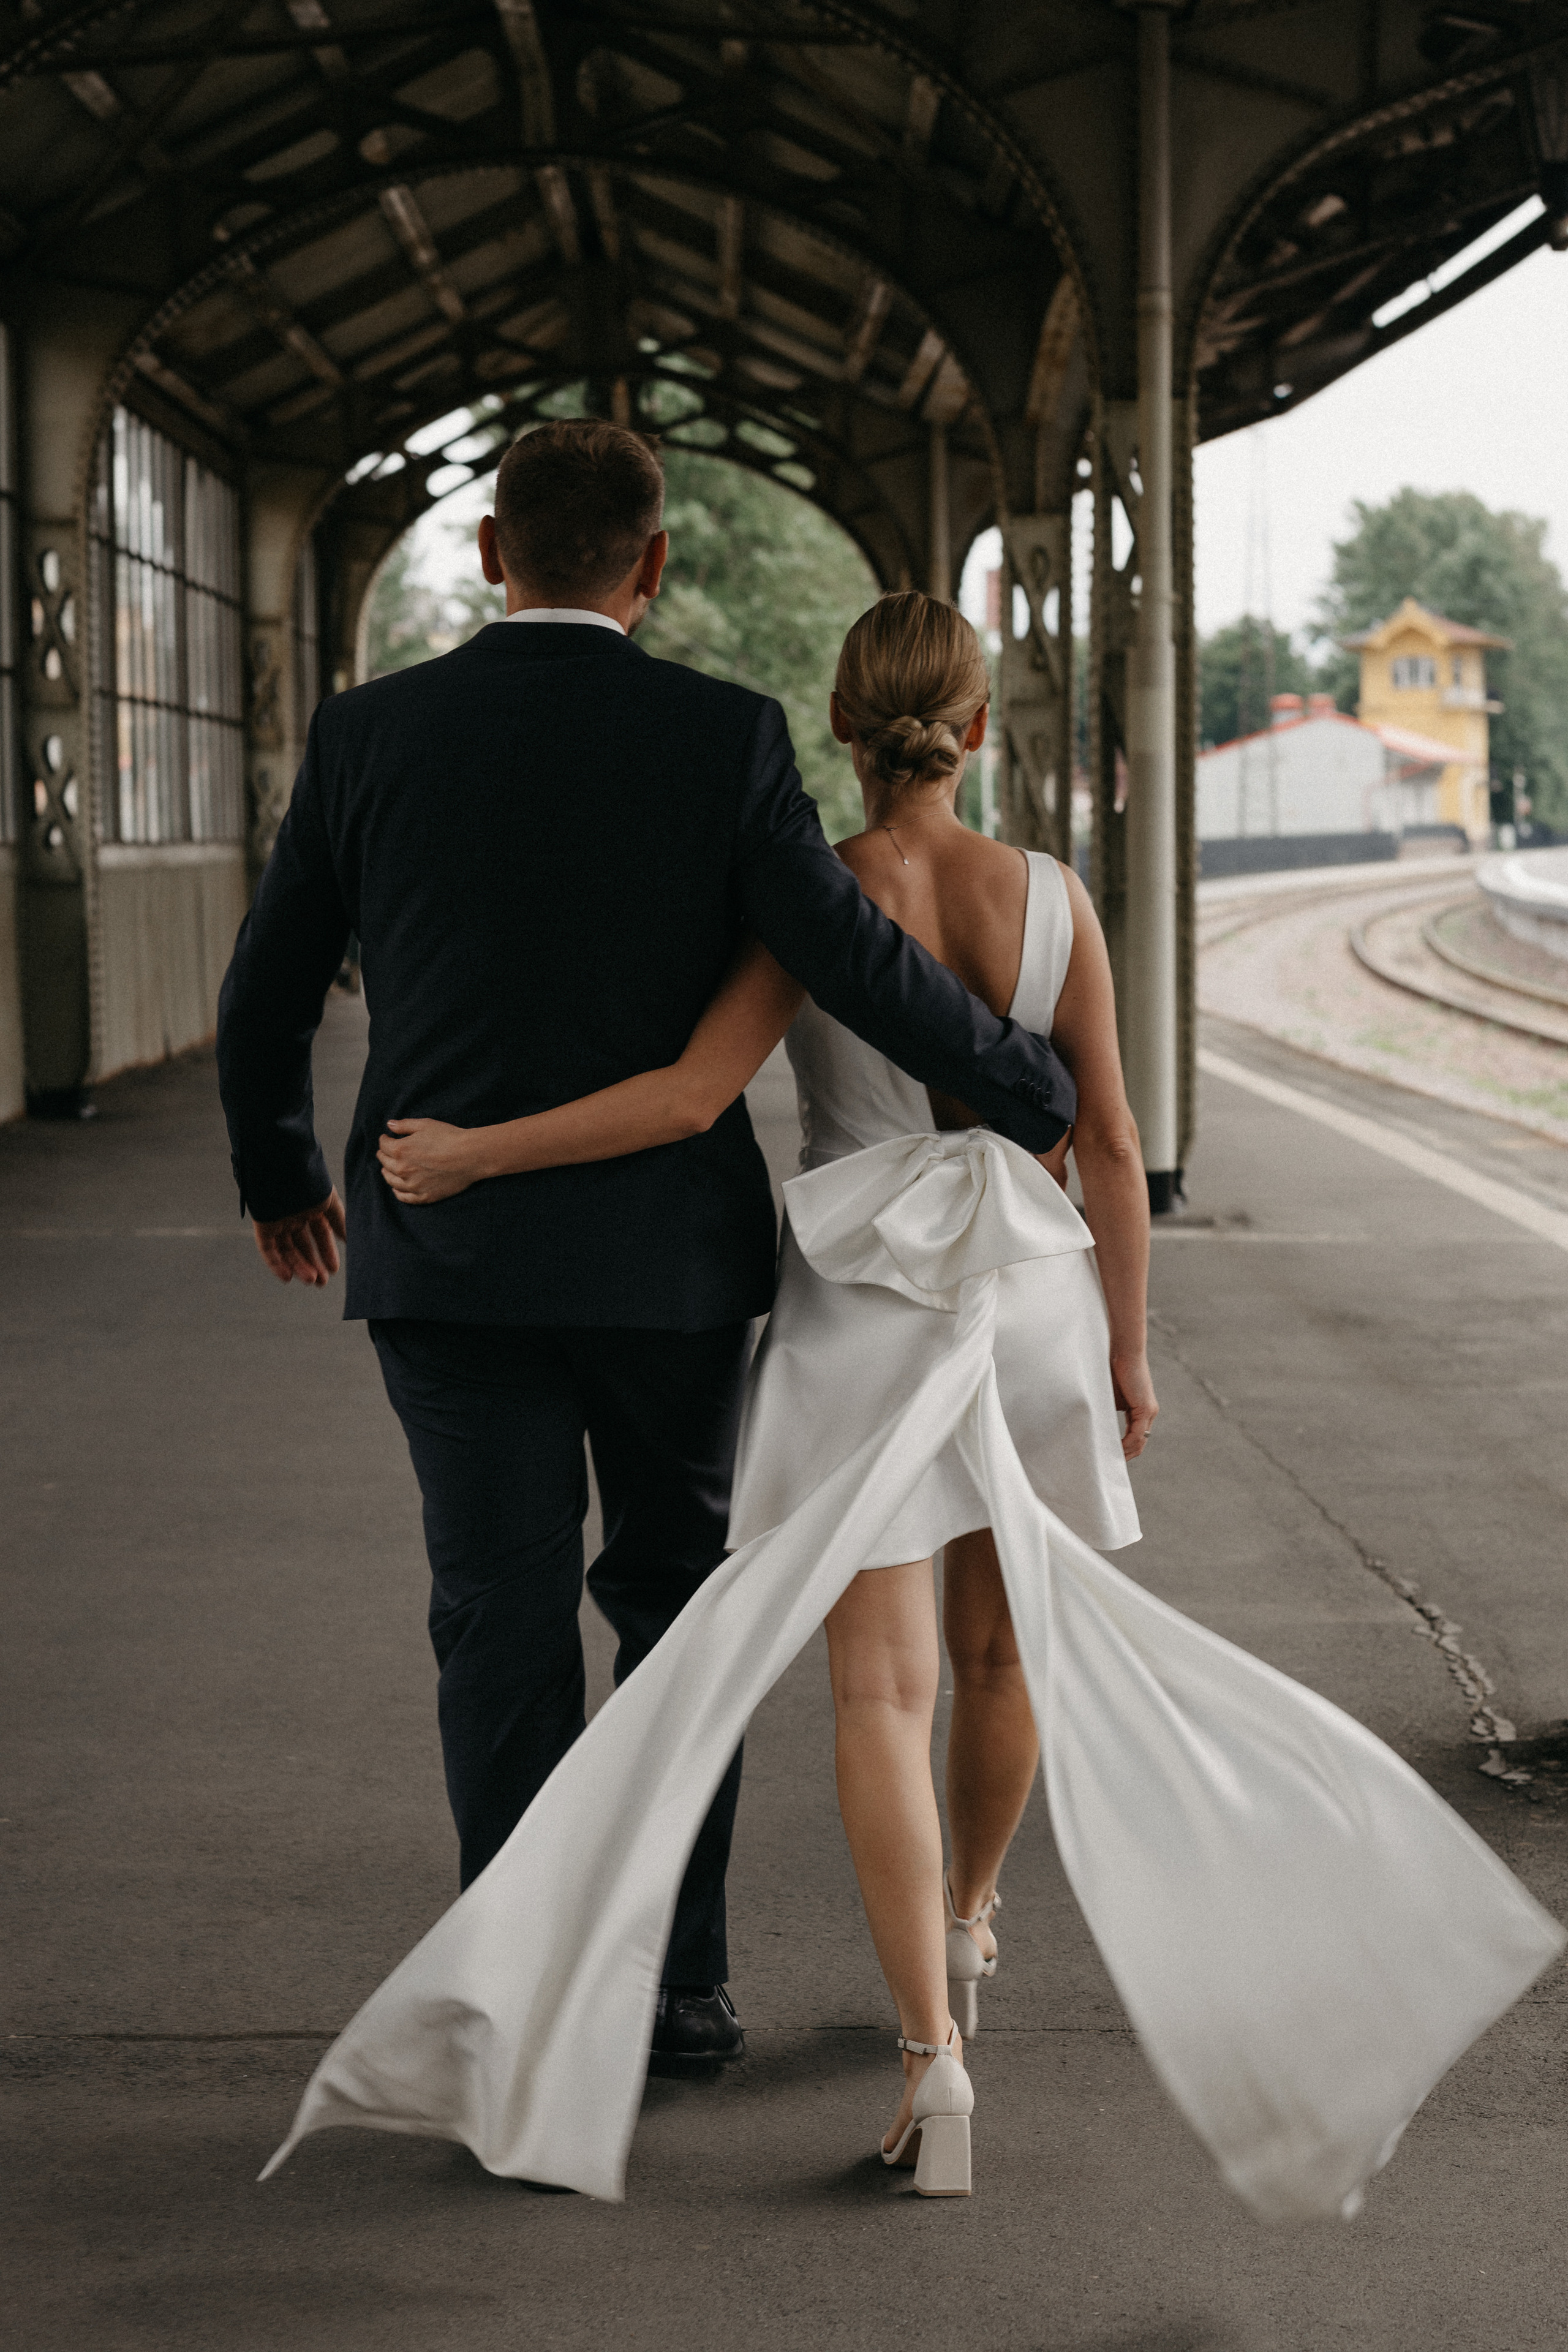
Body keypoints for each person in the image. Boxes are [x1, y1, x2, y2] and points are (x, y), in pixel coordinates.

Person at [265, 595, 1560, 2212]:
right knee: (1002, 1650)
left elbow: (682, 1098)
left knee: (878, 1696)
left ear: (840, 721)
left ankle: (930, 2059)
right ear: (978, 724)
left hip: (864, 1304)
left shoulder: (811, 900)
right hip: (1027, 1296)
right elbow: (1105, 1142)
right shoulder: (1060, 901)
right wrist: (1128, 1347)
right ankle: (972, 1918)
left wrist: (467, 1153)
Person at [217, 423, 1079, 2076]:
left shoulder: (369, 734)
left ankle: (521, 1989)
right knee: (676, 1616)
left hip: (447, 1261)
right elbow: (839, 947)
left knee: (497, 1620)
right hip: (664, 1282)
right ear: (655, 564)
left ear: (489, 548)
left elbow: (268, 989)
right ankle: (680, 1989)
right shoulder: (721, 737)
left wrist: (279, 1178)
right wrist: (1023, 1082)